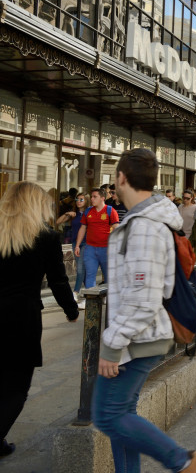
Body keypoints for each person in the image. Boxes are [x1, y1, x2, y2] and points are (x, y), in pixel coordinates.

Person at [91, 149, 196, 473]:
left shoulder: (144, 226)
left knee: (107, 415)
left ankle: (184, 461)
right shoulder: (144, 221)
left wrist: (112, 343)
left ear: (121, 178)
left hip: (138, 336)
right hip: (140, 333)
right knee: (122, 416)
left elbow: (144, 299)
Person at [0, 182, 79, 458]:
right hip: (22, 318)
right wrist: (71, 310)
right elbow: (58, 281)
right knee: (16, 386)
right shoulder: (46, 237)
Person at [74, 187, 119, 288]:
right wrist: (77, 245)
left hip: (106, 248)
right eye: (91, 197)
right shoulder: (88, 211)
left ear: (102, 198)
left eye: (95, 197)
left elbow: (116, 228)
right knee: (90, 275)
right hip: (90, 248)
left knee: (108, 277)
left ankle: (108, 300)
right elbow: (83, 228)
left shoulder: (110, 211)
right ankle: (91, 301)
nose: (92, 199)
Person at [56, 193, 88, 307]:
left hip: (86, 243)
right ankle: (90, 292)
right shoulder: (74, 213)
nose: (78, 201)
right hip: (75, 243)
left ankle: (75, 292)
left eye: (81, 199)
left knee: (80, 269)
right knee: (83, 270)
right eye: (77, 199)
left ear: (86, 201)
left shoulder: (89, 213)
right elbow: (58, 222)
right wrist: (67, 214)